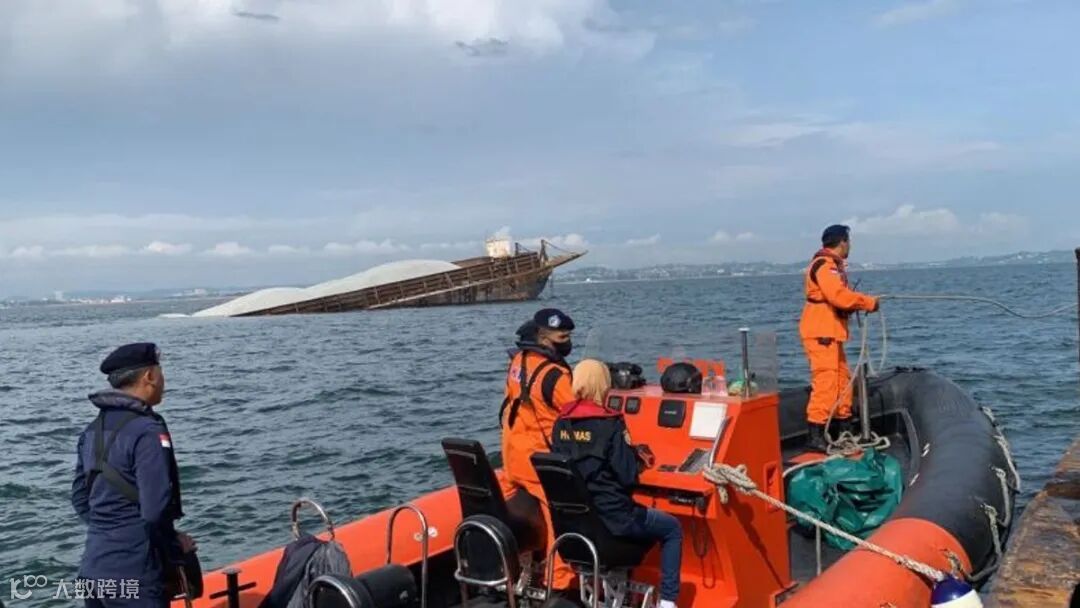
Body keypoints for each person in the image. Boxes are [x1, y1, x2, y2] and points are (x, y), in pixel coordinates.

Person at [71, 343, 197, 607]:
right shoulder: (147, 431)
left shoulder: (91, 431)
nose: (163, 381)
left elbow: (80, 498)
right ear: (149, 376)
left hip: (94, 571)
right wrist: (176, 548)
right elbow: (154, 511)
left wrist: (113, 530)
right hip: (136, 575)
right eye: (161, 372)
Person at [551, 359, 683, 608]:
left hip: (577, 530)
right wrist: (636, 458)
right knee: (672, 528)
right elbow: (627, 476)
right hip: (615, 522)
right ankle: (668, 602)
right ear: (602, 384)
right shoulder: (610, 423)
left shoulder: (560, 424)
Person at [499, 308, 576, 590]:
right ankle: (560, 580)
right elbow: (577, 413)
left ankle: (515, 567)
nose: (567, 343)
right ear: (545, 339)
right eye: (562, 338)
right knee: (558, 513)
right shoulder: (556, 376)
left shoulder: (518, 361)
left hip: (511, 454)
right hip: (537, 460)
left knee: (507, 509)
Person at [799, 225, 880, 452]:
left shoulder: (831, 266)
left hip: (831, 332)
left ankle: (845, 428)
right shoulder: (825, 266)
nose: (850, 246)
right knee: (826, 381)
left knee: (842, 380)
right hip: (821, 332)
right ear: (842, 242)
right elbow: (838, 296)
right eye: (849, 241)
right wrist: (868, 302)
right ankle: (815, 434)